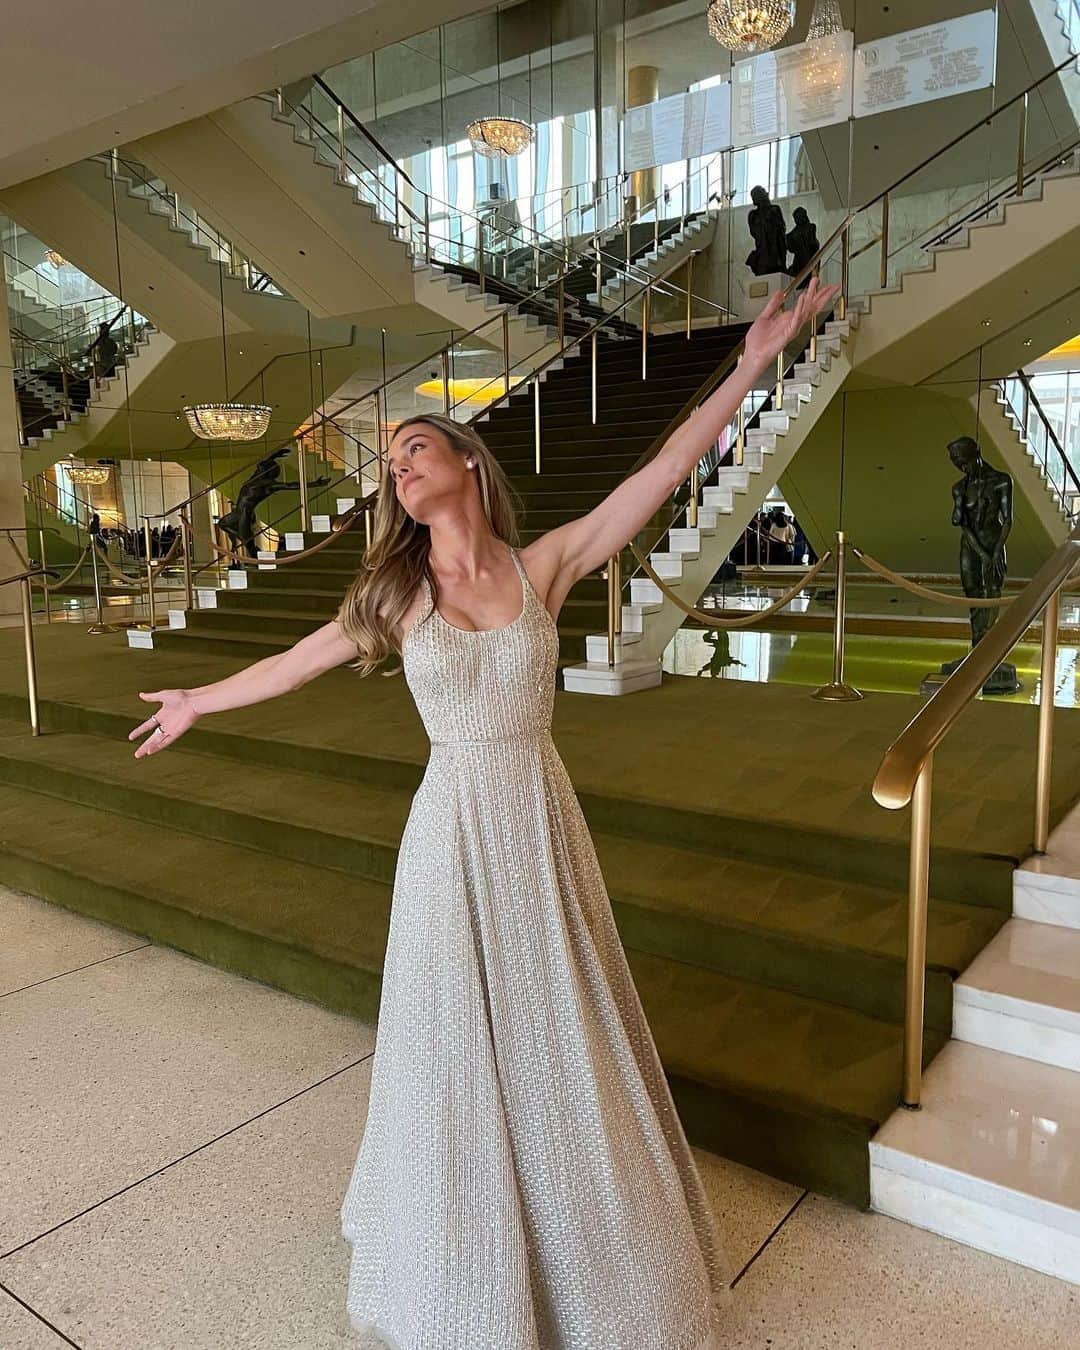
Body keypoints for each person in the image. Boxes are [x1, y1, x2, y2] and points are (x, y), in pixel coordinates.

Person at [129, 277, 839, 1349]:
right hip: (451, 827)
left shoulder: (541, 566)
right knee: (454, 1040)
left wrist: (749, 364)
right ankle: (469, 1254)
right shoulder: (393, 595)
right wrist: (196, 699)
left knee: (560, 1024)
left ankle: (581, 1247)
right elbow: (291, 664)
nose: (401, 468)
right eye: (391, 464)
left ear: (467, 461)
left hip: (539, 816)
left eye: (417, 448)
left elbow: (662, 470)